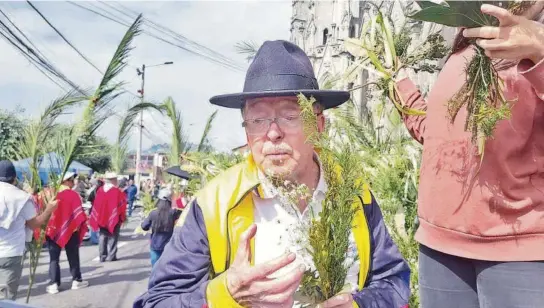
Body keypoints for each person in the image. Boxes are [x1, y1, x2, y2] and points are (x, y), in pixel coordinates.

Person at [134, 40, 410, 308]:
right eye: (257, 119)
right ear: (246, 130)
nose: (273, 132)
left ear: (319, 124)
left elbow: (394, 282)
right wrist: (225, 295)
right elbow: (158, 300)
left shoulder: (355, 193)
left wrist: (359, 304)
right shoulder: (214, 204)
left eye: (290, 116)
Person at [394, 3, 544, 308]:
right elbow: (444, 140)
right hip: (439, 247)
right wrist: (402, 89)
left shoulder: (535, 33)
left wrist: (541, 48)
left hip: (516, 250)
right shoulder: (467, 41)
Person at [0, 160, 57, 300]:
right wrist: (49, 210)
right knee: (6, 298)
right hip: (10, 253)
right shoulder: (22, 197)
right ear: (14, 178)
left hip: (10, 252)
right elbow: (33, 224)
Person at [45, 172, 89, 294]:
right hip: (71, 230)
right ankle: (76, 281)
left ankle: (54, 284)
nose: (73, 182)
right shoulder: (73, 195)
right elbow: (79, 214)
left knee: (54, 259)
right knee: (73, 256)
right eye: (72, 180)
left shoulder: (49, 193)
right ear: (66, 181)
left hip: (53, 230)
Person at [89, 172, 127, 262]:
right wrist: (122, 217)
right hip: (114, 218)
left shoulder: (100, 190)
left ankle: (102, 256)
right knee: (113, 237)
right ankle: (112, 256)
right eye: (116, 179)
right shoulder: (117, 191)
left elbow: (96, 205)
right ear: (113, 180)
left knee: (102, 236)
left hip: (101, 218)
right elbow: (122, 205)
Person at [140, 189, 182, 267]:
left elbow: (144, 227)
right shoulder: (173, 213)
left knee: (155, 268)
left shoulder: (153, 213)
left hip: (155, 245)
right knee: (167, 268)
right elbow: (184, 211)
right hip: (169, 245)